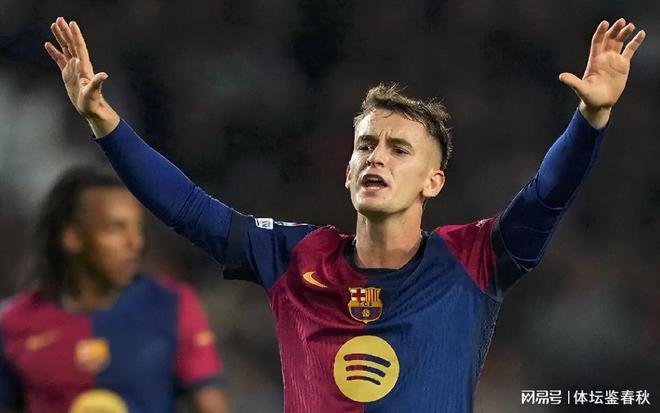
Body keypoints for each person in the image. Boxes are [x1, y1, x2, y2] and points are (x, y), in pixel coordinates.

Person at [44, 16, 645, 412]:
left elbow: (545, 196)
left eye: (399, 149)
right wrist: (104, 121)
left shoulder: (474, 259)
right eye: (365, 146)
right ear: (348, 170)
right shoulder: (293, 257)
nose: (376, 157)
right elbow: (186, 209)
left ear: (433, 182)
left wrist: (590, 119)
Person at [0, 166, 231, 413]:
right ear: (72, 237)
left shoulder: (171, 305)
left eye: (137, 228)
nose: (135, 242)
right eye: (116, 227)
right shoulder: (12, 322)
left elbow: (211, 407)